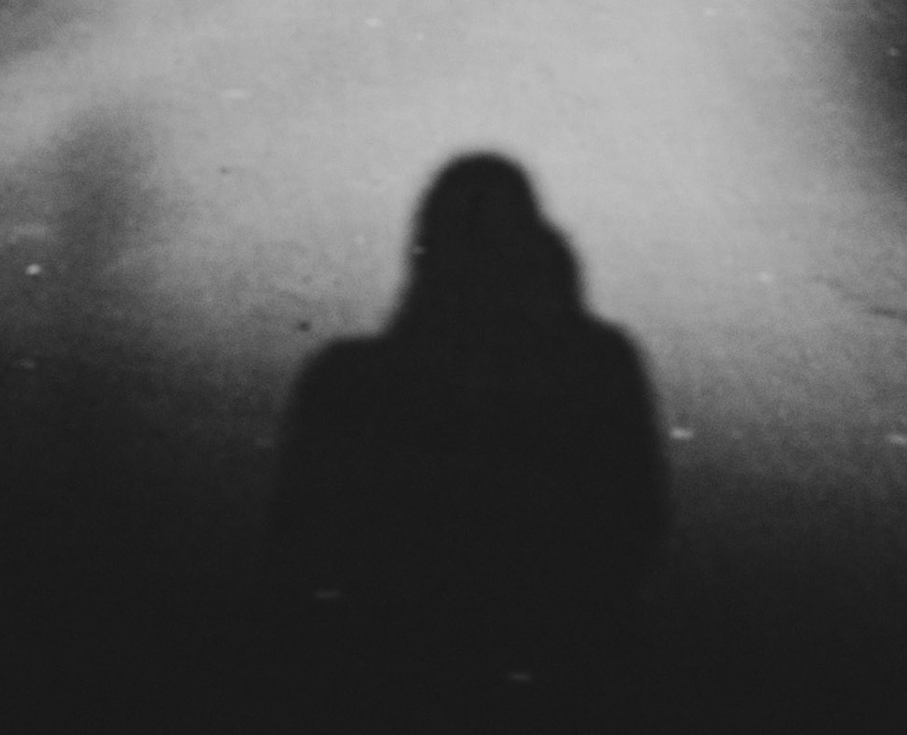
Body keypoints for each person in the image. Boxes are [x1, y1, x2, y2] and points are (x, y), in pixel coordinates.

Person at [261, 154, 667, 731]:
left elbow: (295, 552)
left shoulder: (346, 382)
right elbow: (635, 529)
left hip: (384, 687)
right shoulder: (600, 368)